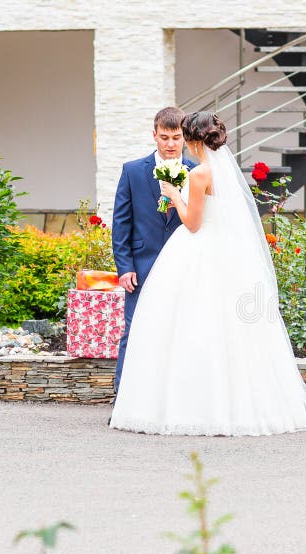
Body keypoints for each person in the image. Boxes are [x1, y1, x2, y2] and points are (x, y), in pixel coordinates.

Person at [109, 112, 306, 436]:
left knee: (189, 333)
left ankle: (186, 406)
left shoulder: (198, 173)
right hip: (225, 256)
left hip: (196, 252)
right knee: (228, 333)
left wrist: (173, 196)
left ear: (191, 140)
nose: (178, 144)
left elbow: (193, 223)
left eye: (182, 138)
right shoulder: (226, 174)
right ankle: (243, 407)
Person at [111, 107, 197, 396]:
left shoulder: (197, 173)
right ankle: (123, 400)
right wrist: (124, 268)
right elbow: (121, 224)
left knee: (180, 334)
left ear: (185, 137)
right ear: (154, 136)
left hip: (184, 268)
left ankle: (172, 400)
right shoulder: (133, 170)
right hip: (142, 267)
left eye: (176, 137)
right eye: (164, 137)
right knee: (134, 333)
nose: (170, 144)